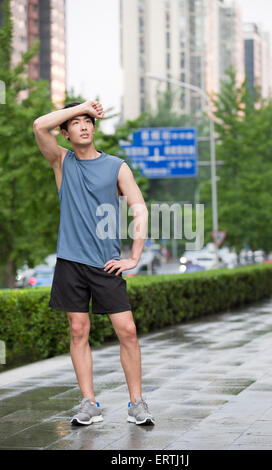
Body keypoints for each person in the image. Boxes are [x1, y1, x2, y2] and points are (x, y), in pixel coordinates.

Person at [33, 100, 155, 426]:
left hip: (107, 264)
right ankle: (89, 403)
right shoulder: (61, 161)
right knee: (78, 329)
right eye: (76, 122)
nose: (84, 126)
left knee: (127, 331)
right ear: (66, 131)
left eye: (88, 120)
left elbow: (139, 208)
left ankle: (137, 403)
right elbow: (38, 126)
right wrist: (82, 104)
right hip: (70, 262)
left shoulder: (117, 166)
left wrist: (134, 256)